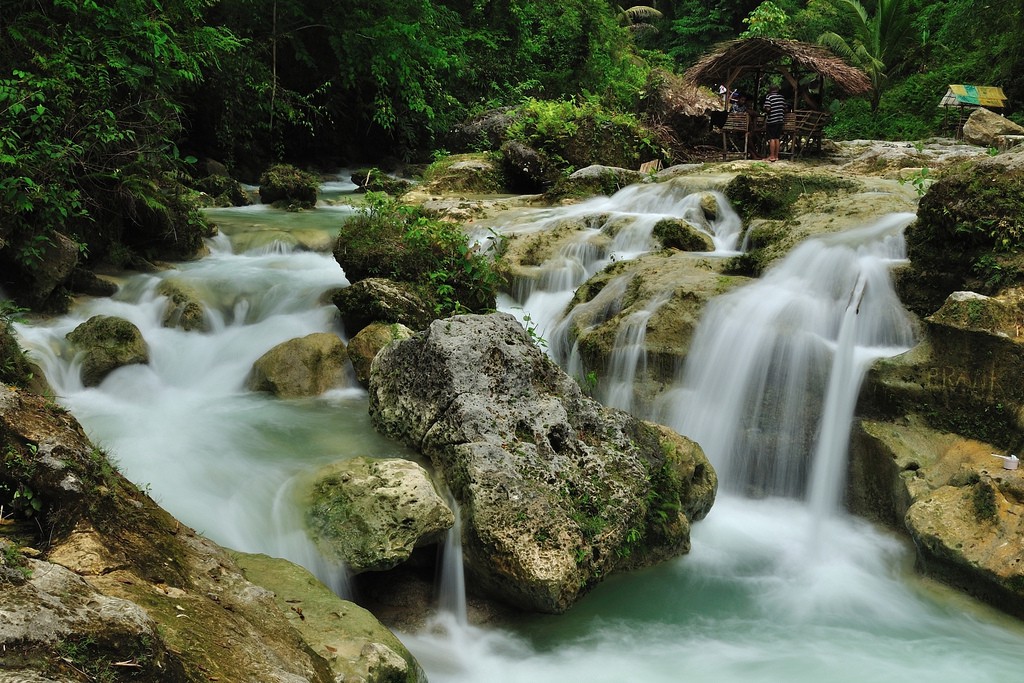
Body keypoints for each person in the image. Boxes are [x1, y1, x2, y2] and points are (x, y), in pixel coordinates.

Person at [763, 85, 787, 162]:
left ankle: (772, 156)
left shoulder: (769, 97)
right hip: (780, 120)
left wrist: (765, 109)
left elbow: (768, 109)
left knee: (772, 138)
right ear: (777, 90)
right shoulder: (782, 98)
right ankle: (776, 156)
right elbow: (785, 108)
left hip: (772, 120)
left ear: (770, 90)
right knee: (777, 138)